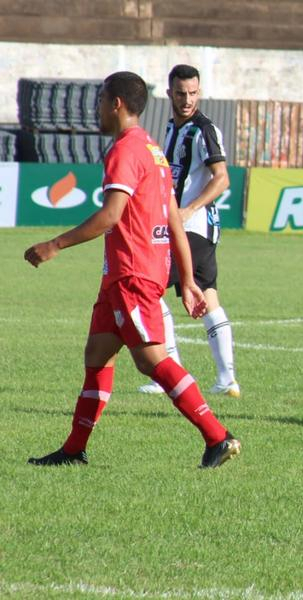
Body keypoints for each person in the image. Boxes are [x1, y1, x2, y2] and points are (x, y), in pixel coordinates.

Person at [24, 71, 242, 468]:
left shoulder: (126, 150)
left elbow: (111, 215)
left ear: (116, 104)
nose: (98, 109)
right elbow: (174, 218)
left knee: (151, 360)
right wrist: (189, 280)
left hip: (133, 273)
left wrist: (55, 245)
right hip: (121, 276)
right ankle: (74, 450)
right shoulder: (154, 150)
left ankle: (218, 436)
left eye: (101, 100)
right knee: (98, 355)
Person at [138, 64, 240, 398]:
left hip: (193, 228)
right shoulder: (171, 128)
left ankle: (168, 374)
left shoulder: (203, 129)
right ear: (169, 93)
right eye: (181, 93)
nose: (187, 99)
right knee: (208, 297)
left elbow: (222, 177)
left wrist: (188, 210)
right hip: (191, 229)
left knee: (149, 289)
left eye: (193, 93)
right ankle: (227, 380)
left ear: (200, 92)